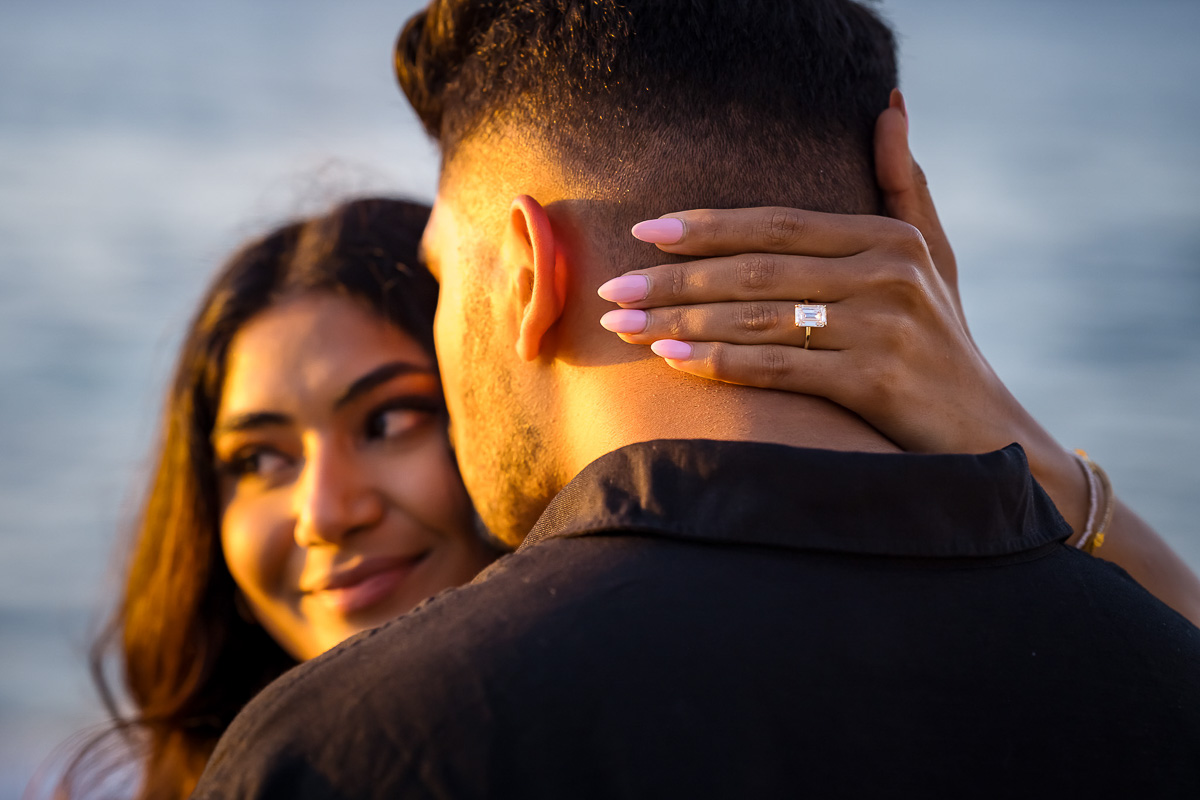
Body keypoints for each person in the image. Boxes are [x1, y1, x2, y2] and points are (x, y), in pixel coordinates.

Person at [191, 1, 1200, 798]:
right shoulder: (1156, 676)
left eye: (442, 275)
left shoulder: (346, 750)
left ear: (526, 272)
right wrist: (1016, 450)